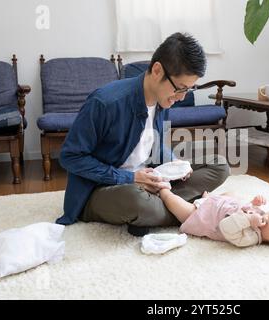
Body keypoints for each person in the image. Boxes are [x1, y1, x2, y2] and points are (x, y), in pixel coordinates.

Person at [56, 32, 230, 235]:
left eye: (188, 90)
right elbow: (70, 157)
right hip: (105, 189)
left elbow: (153, 144)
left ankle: (159, 210)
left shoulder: (163, 100)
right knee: (136, 200)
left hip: (150, 181)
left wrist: (173, 162)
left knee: (219, 165)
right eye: (180, 88)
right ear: (157, 70)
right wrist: (129, 178)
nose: (182, 98)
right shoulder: (105, 102)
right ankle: (181, 210)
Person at [159, 189, 269, 249]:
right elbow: (242, 209)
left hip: (202, 216)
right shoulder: (261, 217)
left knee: (173, 201)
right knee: (233, 194)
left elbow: (226, 226)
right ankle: (209, 198)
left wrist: (249, 220)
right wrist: (253, 203)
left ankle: (162, 189)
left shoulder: (250, 237)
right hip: (219, 206)